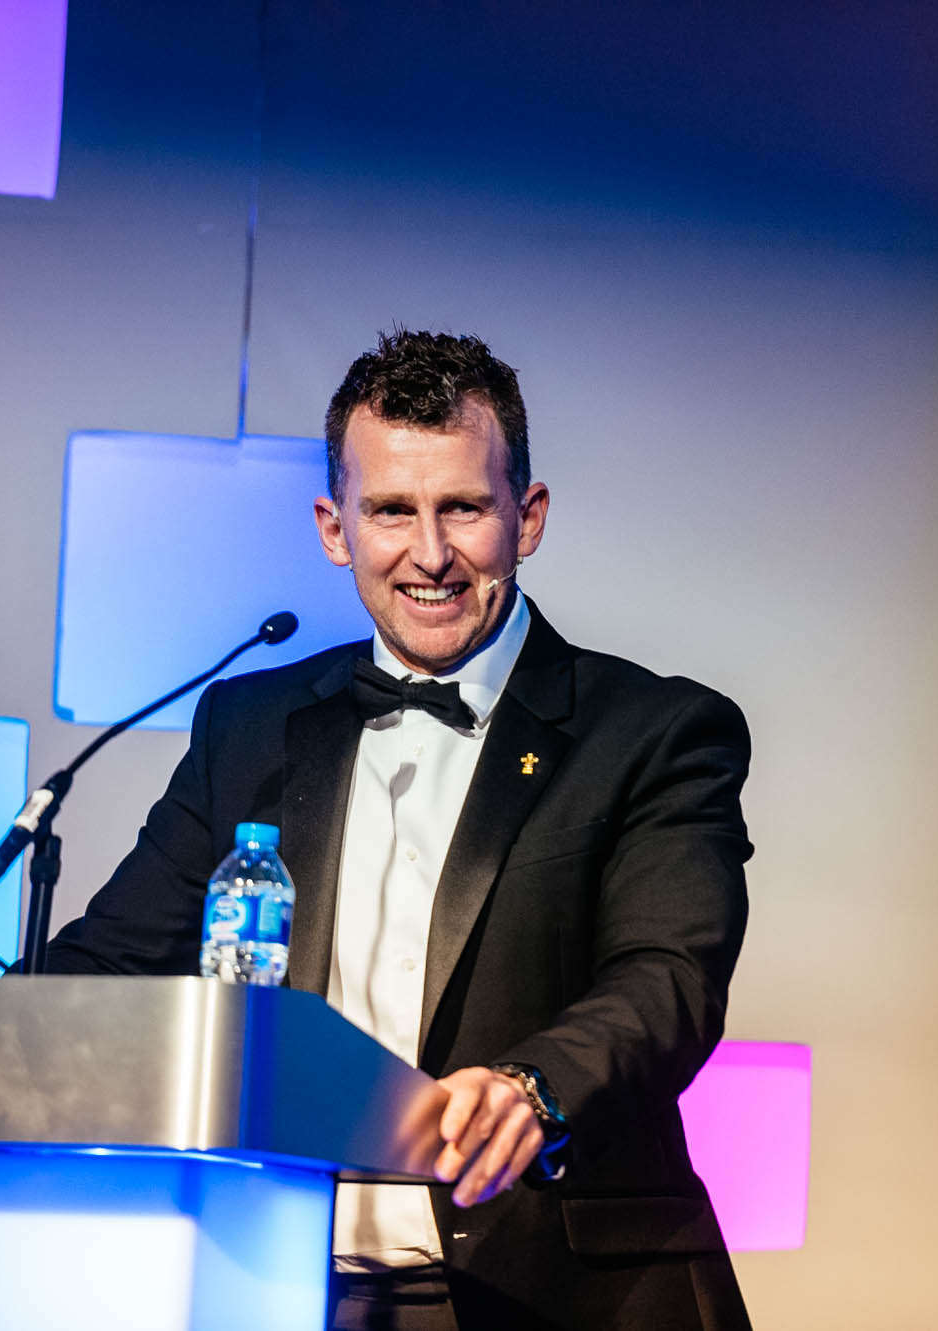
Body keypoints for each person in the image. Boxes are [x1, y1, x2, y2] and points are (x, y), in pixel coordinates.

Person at [45, 330, 753, 1330]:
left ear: (527, 515)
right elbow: (111, 968)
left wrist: (530, 1088)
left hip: (560, 1290)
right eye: (390, 510)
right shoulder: (247, 724)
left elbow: (665, 979)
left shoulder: (653, 729)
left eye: (462, 506)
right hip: (271, 1282)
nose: (428, 553)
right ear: (336, 527)